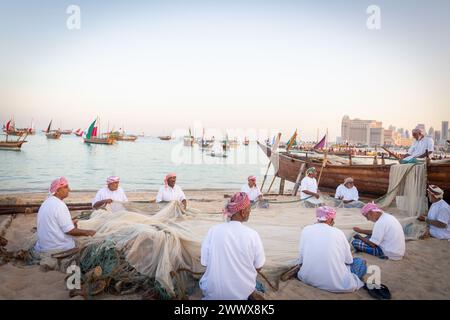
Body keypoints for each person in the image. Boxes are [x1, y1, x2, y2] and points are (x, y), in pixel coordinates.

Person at [199, 192, 265, 300]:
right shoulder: (252, 235)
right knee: (256, 286)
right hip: (242, 294)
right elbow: (259, 266)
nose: (250, 211)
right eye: (249, 209)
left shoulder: (213, 230)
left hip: (213, 293)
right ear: (243, 212)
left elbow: (204, 263)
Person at [297, 206, 366, 292]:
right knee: (359, 262)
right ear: (329, 219)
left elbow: (301, 257)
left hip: (306, 277)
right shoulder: (338, 232)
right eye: (333, 219)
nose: (334, 221)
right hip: (335, 284)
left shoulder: (306, 230)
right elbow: (349, 261)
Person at [34, 177, 96, 253]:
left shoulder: (46, 202)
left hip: (43, 245)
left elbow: (54, 222)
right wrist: (88, 232)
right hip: (57, 247)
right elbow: (69, 231)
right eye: (66, 187)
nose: (69, 189)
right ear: (57, 190)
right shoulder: (60, 205)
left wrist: (70, 223)